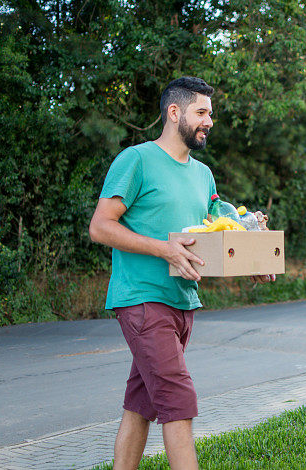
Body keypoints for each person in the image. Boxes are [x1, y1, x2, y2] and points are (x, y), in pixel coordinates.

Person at [88, 77, 275, 470]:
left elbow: (217, 229)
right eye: (202, 112)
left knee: (141, 405)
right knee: (178, 400)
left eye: (211, 113)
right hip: (142, 299)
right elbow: (100, 226)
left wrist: (252, 259)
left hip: (182, 301)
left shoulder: (203, 175)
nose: (210, 121)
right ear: (175, 113)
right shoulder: (136, 160)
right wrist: (163, 248)